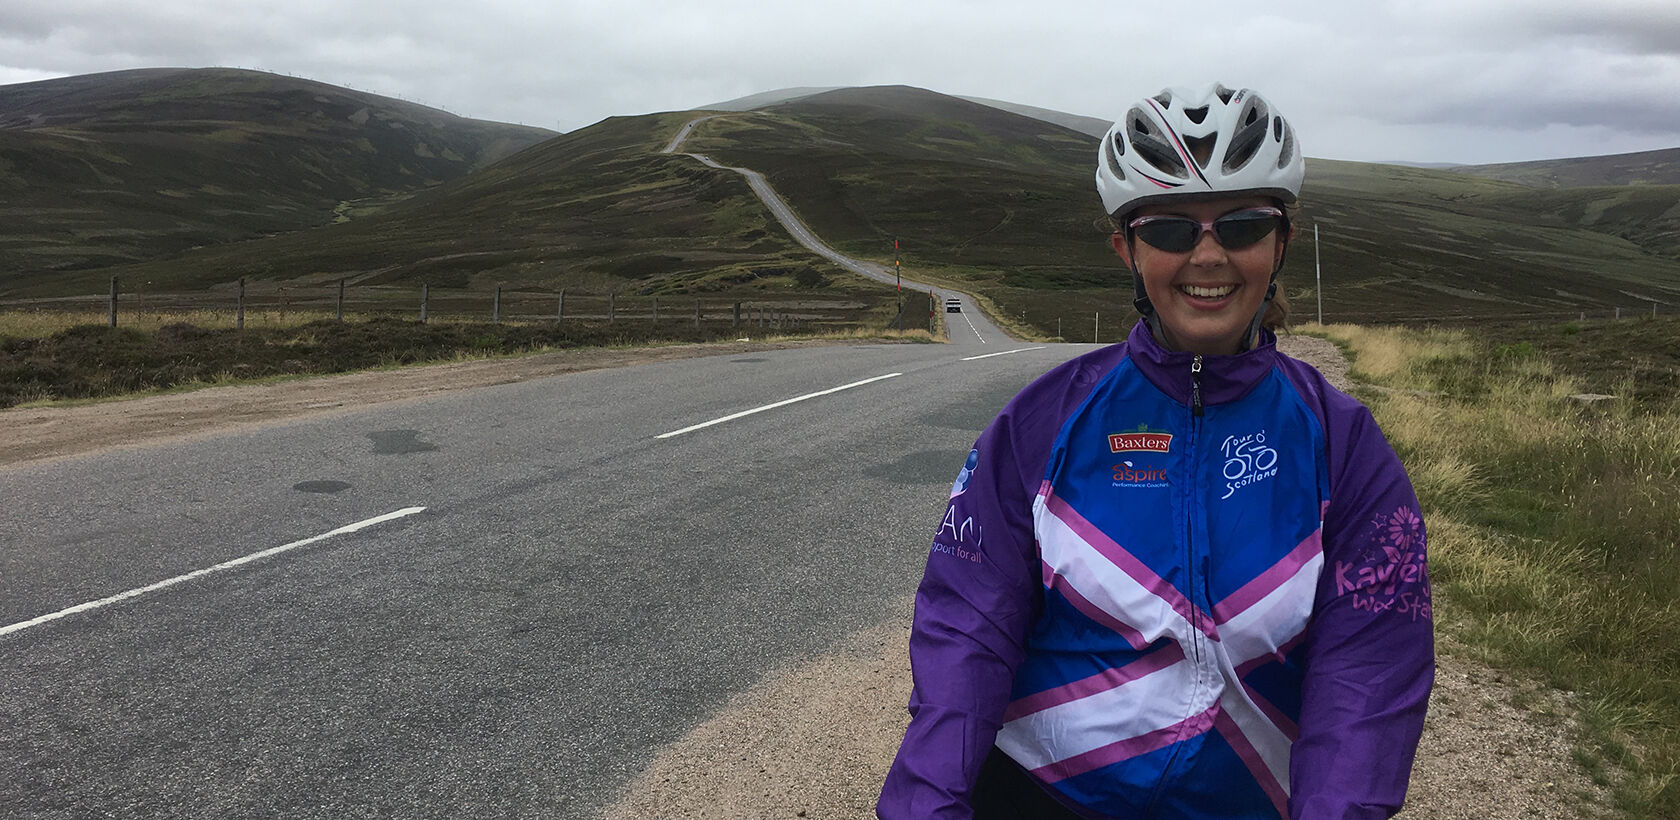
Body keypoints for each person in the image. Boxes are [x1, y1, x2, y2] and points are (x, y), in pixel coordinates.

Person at [877, 83, 1434, 819]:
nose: (1209, 256)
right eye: (1172, 230)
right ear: (1127, 249)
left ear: (1280, 243)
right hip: (1045, 798)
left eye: (1241, 225)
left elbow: (1368, 671)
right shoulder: (1043, 424)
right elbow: (966, 630)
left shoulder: (1343, 446)